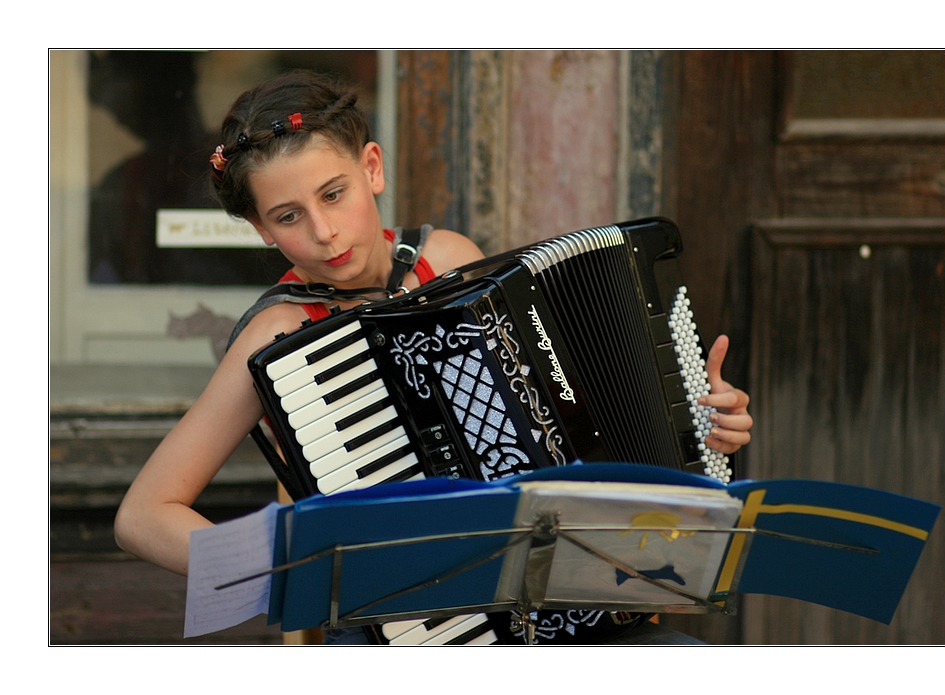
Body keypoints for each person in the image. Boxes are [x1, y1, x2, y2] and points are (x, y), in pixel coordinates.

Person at [114, 70, 753, 641]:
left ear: (372, 168)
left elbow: (562, 419)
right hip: (420, 626)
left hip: (571, 594)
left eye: (333, 194)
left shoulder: (445, 260)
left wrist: (696, 426)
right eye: (288, 215)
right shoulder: (278, 335)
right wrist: (290, 571)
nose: (323, 231)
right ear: (261, 229)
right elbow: (143, 517)